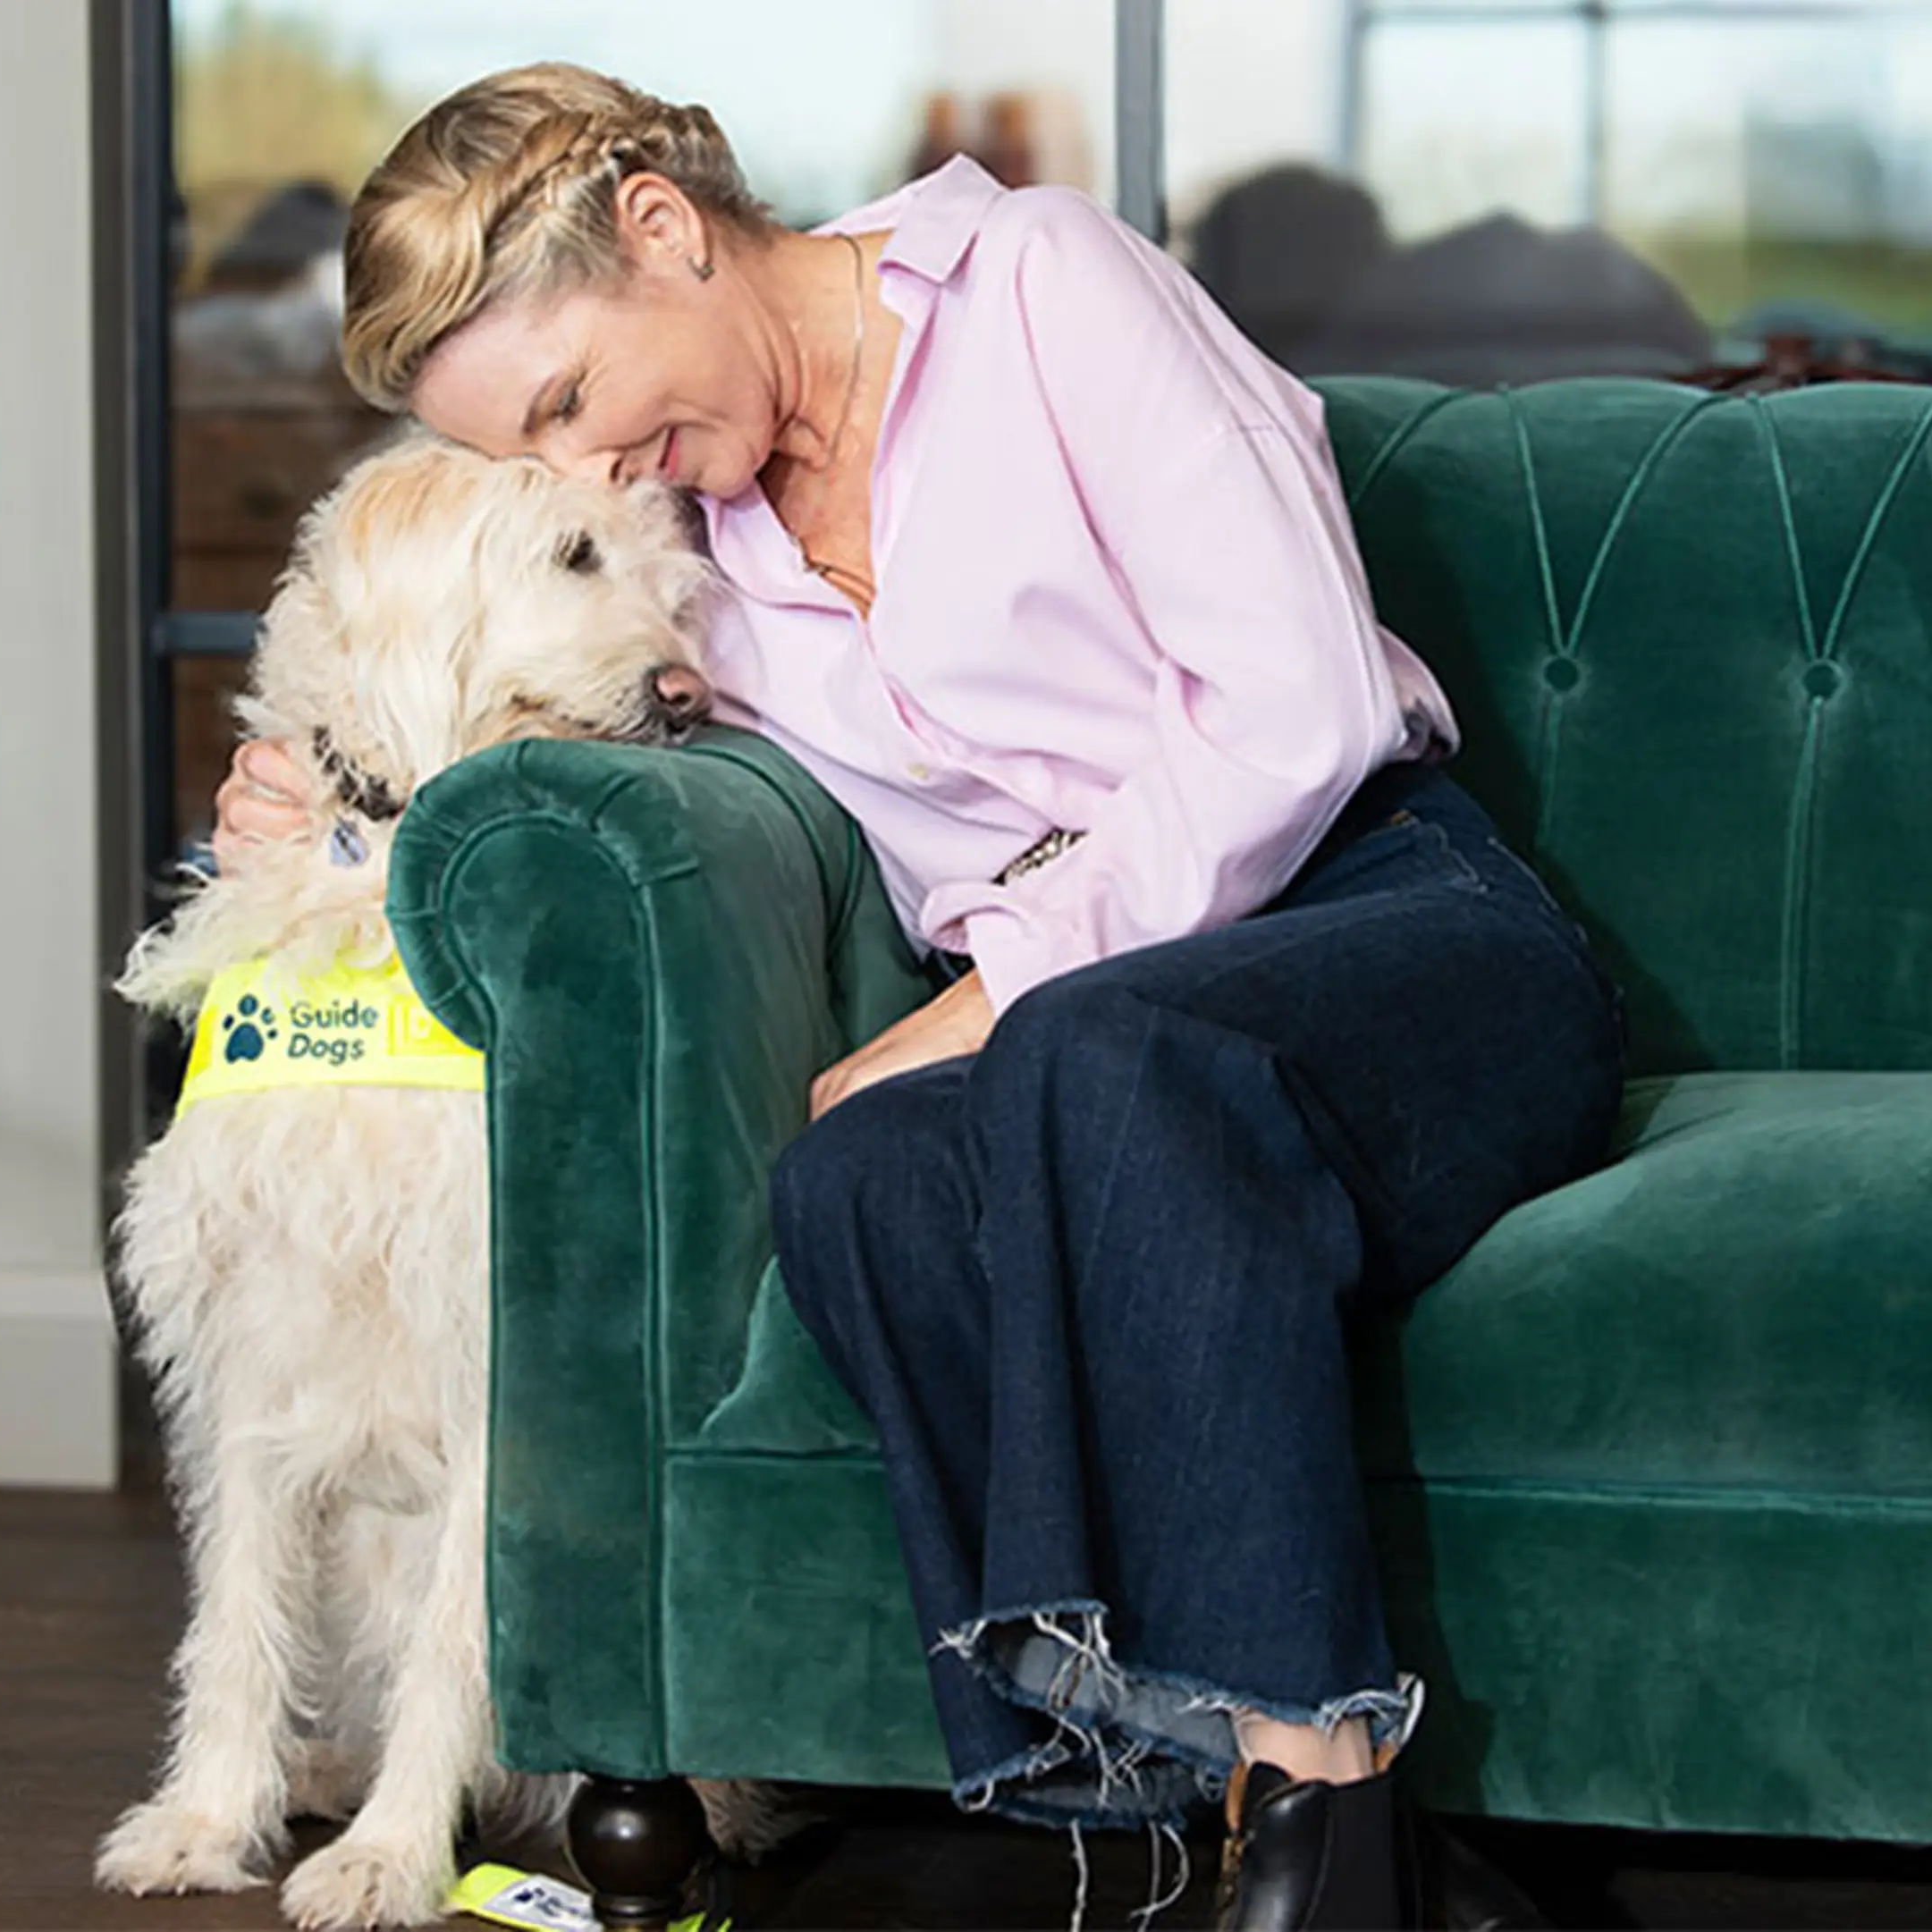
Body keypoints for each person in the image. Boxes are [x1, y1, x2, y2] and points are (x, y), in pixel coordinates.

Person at [212, 63, 1624, 1929]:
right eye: (536, 456)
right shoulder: (693, 548)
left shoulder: (1043, 287)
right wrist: (322, 785)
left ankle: (1324, 1839)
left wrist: (997, 991)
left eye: (572, 395)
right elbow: (491, 667)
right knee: (857, 1182)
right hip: (1099, 1043)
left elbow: (1302, 707)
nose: (590, 466)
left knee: (1096, 1053)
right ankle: (1244, 1835)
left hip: (1393, 915)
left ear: (661, 227)